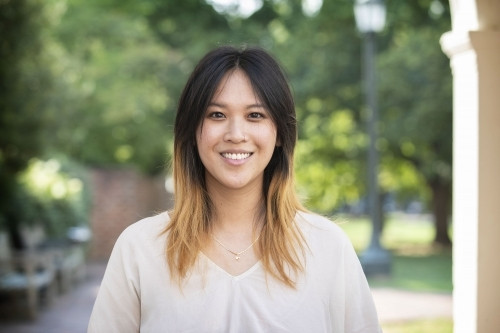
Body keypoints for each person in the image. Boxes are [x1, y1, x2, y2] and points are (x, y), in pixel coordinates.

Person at [88, 45, 381, 332]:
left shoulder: (326, 247)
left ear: (279, 133)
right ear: (191, 131)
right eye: (217, 115)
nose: (236, 134)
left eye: (255, 115)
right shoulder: (140, 249)